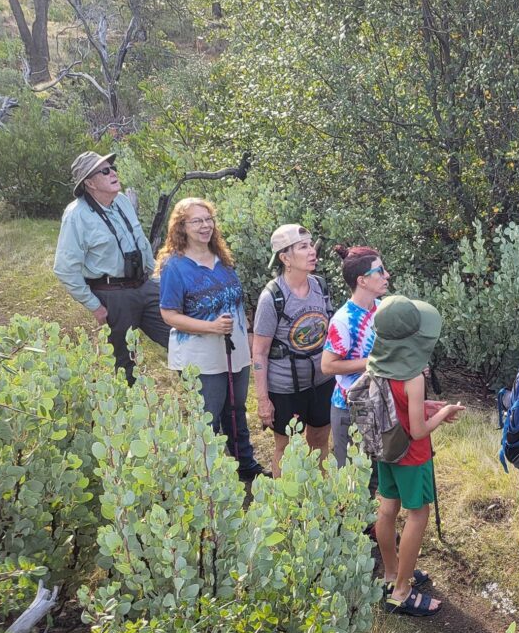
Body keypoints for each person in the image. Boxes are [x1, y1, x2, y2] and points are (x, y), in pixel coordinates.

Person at [156, 198, 267, 482]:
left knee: (236, 410)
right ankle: (206, 474)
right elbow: (169, 314)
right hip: (199, 356)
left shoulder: (222, 258)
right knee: (207, 417)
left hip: (235, 349)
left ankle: (245, 464)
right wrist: (209, 327)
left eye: (208, 219)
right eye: (196, 221)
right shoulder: (175, 266)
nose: (205, 226)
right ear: (181, 226)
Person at [367, 295, 464, 616]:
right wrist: (445, 411)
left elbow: (401, 408)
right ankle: (402, 591)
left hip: (386, 450)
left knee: (387, 509)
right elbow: (420, 430)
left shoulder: (377, 365)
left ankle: (391, 574)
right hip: (412, 456)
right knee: (417, 515)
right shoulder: (414, 376)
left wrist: (427, 408)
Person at [53, 151, 169, 383]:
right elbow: (65, 268)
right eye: (105, 171)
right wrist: (95, 306)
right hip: (112, 295)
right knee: (124, 361)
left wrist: (157, 275)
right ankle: (129, 413)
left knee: (178, 339)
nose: (113, 172)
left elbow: (141, 243)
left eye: (112, 167)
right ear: (89, 182)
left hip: (145, 285)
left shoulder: (122, 202)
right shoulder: (76, 215)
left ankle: (202, 402)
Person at [251, 224, 335, 477]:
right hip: (285, 386)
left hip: (322, 380)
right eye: (303, 247)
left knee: (320, 438)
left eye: (310, 245)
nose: (312, 252)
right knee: (287, 446)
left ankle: (319, 500)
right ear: (285, 258)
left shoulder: (320, 286)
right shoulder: (272, 297)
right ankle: (284, 507)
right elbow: (259, 352)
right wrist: (263, 401)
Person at [321, 245, 390, 468]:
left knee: (379, 475)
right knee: (352, 480)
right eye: (379, 271)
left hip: (381, 403)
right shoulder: (343, 320)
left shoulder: (383, 309)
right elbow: (328, 366)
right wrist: (373, 363)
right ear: (362, 281)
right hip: (348, 409)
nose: (386, 275)